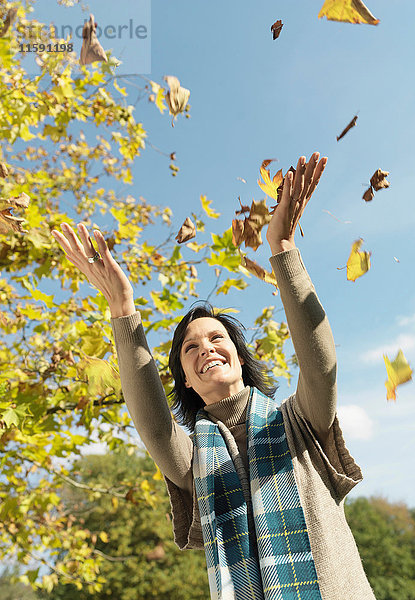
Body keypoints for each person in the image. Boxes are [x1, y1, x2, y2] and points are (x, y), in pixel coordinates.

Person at [52, 153, 377, 600]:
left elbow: (320, 365)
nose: (205, 347)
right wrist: (123, 311)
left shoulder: (301, 421)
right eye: (190, 347)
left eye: (216, 338)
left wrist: (281, 249)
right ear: (185, 378)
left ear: (240, 359)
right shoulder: (191, 460)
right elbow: (154, 424)